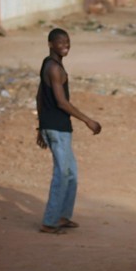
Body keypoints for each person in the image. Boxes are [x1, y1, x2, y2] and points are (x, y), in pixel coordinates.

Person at [36, 28, 102, 234]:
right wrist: (88, 120)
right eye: (60, 42)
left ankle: (62, 216)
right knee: (62, 174)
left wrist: (40, 127)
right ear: (50, 44)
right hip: (56, 128)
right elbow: (62, 103)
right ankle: (50, 221)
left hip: (56, 126)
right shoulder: (54, 68)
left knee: (71, 174)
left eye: (67, 41)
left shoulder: (52, 65)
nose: (65, 45)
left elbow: (39, 96)